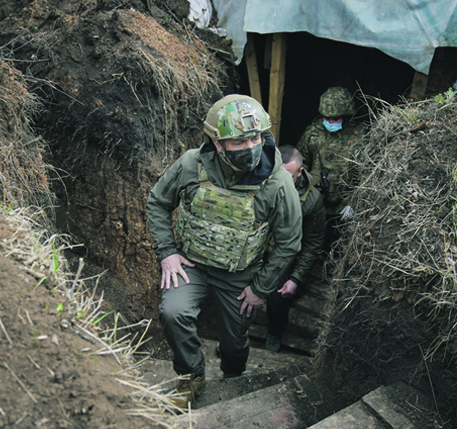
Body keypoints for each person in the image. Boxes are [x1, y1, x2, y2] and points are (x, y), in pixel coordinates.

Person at [146, 94, 303, 407]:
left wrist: (260, 289)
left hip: (239, 277)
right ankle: (191, 377)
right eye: (237, 142)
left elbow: (289, 242)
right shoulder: (192, 163)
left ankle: (233, 377)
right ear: (217, 144)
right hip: (192, 264)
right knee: (172, 313)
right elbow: (159, 202)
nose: (250, 148)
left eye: (255, 137)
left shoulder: (278, 182)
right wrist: (166, 252)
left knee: (233, 343)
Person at [264, 145, 326, 352]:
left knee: (277, 298)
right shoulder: (260, 182)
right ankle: (234, 337)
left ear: (299, 173)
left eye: (287, 177)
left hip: (285, 257)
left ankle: (274, 331)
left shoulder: (311, 201)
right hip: (258, 249)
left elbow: (312, 244)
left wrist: (296, 278)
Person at [297, 86, 365, 246]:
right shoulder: (313, 133)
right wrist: (300, 197)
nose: (330, 123)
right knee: (310, 242)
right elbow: (299, 167)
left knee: (337, 244)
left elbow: (365, 174)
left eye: (335, 119)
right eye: (327, 118)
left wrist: (354, 203)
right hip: (315, 200)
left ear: (346, 116)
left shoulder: (360, 137)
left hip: (343, 204)